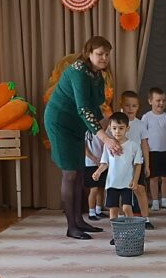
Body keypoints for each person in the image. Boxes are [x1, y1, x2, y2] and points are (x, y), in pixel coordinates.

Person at [43, 36, 120, 240]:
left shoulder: (97, 74)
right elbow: (84, 109)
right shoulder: (78, 71)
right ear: (88, 53)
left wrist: (114, 126)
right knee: (70, 174)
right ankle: (72, 227)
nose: (104, 58)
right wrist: (105, 139)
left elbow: (96, 107)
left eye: (107, 54)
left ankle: (79, 221)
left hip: (76, 126)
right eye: (100, 54)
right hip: (60, 124)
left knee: (78, 173)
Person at [93, 112, 144, 245]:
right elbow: (104, 163)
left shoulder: (133, 145)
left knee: (127, 208)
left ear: (127, 128)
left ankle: (132, 232)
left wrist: (135, 180)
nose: (117, 131)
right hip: (112, 184)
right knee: (113, 209)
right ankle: (115, 235)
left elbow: (138, 164)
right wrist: (98, 172)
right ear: (109, 128)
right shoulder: (108, 146)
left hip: (127, 184)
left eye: (121, 128)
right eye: (114, 128)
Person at [119, 91, 155, 230]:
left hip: (137, 163)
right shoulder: (116, 123)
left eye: (134, 106)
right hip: (121, 164)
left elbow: (144, 145)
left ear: (138, 107)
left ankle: (145, 219)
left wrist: (147, 165)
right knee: (121, 191)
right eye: (127, 105)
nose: (130, 108)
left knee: (140, 189)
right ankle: (122, 217)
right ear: (121, 105)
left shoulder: (140, 124)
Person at [142, 88, 166, 212]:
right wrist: (145, 150)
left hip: (165, 152)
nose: (161, 103)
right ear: (150, 101)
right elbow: (143, 136)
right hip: (151, 153)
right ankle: (155, 202)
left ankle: (164, 200)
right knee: (153, 178)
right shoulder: (146, 117)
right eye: (158, 100)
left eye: (163, 100)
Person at [84, 130, 105, 221]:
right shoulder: (86, 132)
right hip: (90, 164)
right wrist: (95, 160)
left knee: (101, 188)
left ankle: (98, 210)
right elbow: (85, 150)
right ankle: (91, 212)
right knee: (94, 189)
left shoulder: (102, 131)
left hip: (102, 163)